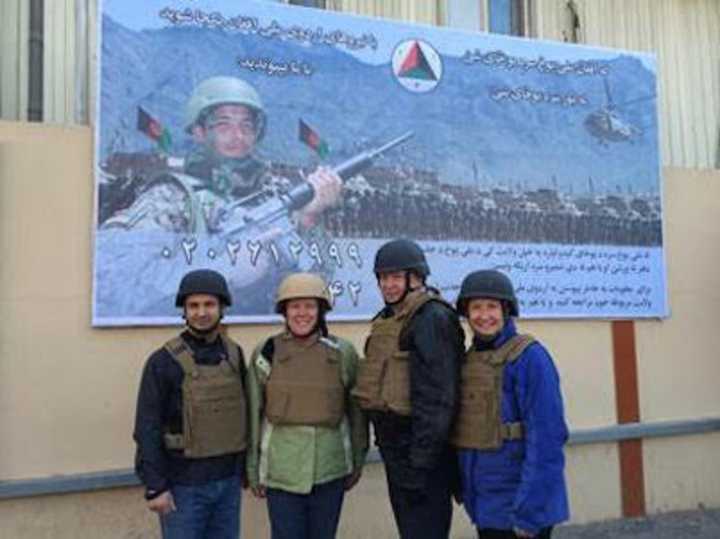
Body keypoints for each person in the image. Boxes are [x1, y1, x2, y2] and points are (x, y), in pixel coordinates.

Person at [100, 76, 342, 315]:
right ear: (199, 132)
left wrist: (308, 220)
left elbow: (319, 291)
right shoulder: (171, 199)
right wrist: (227, 269)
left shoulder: (272, 195)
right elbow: (114, 287)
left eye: (247, 126)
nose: (238, 136)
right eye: (223, 125)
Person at [352, 239, 465, 539]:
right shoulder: (389, 318)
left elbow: (439, 397)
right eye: (382, 278)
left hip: (421, 456)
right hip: (397, 451)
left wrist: (421, 462)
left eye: (395, 277)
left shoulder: (431, 318)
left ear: (415, 278)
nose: (387, 285)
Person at [246, 272, 368, 539]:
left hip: (330, 469)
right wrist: (253, 468)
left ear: (321, 311)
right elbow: (254, 413)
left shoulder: (342, 352)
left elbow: (356, 413)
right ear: (284, 311)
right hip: (282, 471)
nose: (302, 313)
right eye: (295, 306)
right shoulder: (266, 352)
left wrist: (358, 460)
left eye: (310, 306)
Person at [452, 270, 570, 539]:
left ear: (506, 310)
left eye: (492, 306)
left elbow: (548, 439)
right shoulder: (472, 360)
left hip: (521, 507)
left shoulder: (530, 358)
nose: (484, 316)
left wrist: (530, 512)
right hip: (487, 505)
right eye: (476, 308)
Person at [133, 269, 248, 539]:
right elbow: (147, 426)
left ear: (221, 308)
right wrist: (155, 486)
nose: (201, 312)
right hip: (182, 486)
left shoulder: (234, 355)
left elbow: (246, 413)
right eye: (193, 305)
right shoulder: (163, 361)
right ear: (184, 311)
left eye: (209, 304)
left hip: (228, 483)